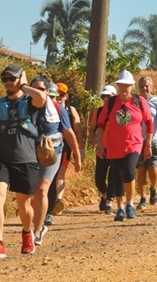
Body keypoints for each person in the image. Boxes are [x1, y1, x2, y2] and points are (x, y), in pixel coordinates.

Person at [0, 65, 47, 258]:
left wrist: (25, 85)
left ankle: (27, 233)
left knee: (24, 205)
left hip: (26, 159)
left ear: (20, 79)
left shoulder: (30, 102)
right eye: (5, 79)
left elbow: (42, 98)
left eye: (12, 78)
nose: (8, 83)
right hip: (2, 158)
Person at [95, 71, 153, 222]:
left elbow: (149, 123)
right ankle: (120, 208)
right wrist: (99, 143)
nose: (124, 88)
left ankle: (129, 204)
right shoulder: (111, 103)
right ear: (118, 86)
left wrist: (148, 144)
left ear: (132, 86)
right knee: (117, 175)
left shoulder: (139, 101)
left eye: (127, 85)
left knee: (128, 171)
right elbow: (100, 125)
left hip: (134, 143)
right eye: (121, 85)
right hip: (114, 145)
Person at [31, 78, 81, 245]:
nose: (51, 99)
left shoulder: (59, 110)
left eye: (52, 95)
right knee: (31, 193)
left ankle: (37, 230)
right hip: (30, 153)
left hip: (52, 152)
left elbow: (69, 133)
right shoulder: (25, 108)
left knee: (42, 189)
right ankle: (35, 224)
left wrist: (78, 156)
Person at [48, 82, 84, 221]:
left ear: (66, 96)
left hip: (65, 146)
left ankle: (57, 200)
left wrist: (80, 149)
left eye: (61, 95)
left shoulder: (70, 110)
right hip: (49, 146)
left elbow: (77, 130)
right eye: (56, 94)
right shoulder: (44, 107)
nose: (59, 97)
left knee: (60, 174)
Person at [91, 85, 119, 214]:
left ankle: (109, 202)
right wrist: (95, 143)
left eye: (109, 96)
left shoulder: (120, 111)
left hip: (115, 149)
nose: (106, 99)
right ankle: (105, 193)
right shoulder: (99, 111)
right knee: (99, 179)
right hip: (102, 148)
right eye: (104, 96)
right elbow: (93, 128)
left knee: (113, 176)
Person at [136, 75, 157, 209]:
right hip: (138, 141)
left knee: (152, 167)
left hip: (154, 140)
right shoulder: (135, 101)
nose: (144, 88)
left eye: (147, 86)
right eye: (142, 86)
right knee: (141, 170)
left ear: (151, 87)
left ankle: (154, 187)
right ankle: (142, 198)